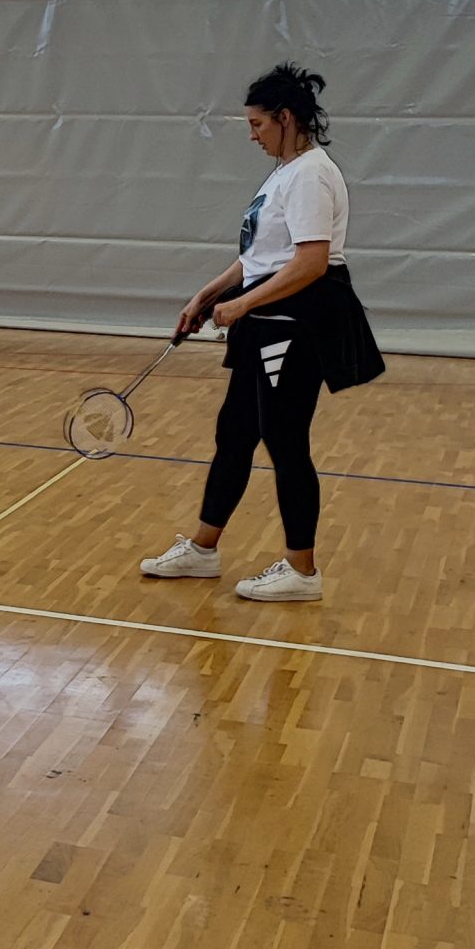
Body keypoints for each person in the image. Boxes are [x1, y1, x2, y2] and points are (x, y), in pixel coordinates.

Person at [141, 63, 383, 602]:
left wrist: (243, 304)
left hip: (295, 325)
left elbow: (312, 262)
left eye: (257, 124)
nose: (252, 135)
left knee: (285, 440)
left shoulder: (310, 175)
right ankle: (203, 549)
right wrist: (209, 294)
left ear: (286, 118)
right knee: (235, 432)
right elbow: (260, 255)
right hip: (268, 321)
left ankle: (302, 571)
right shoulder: (283, 173)